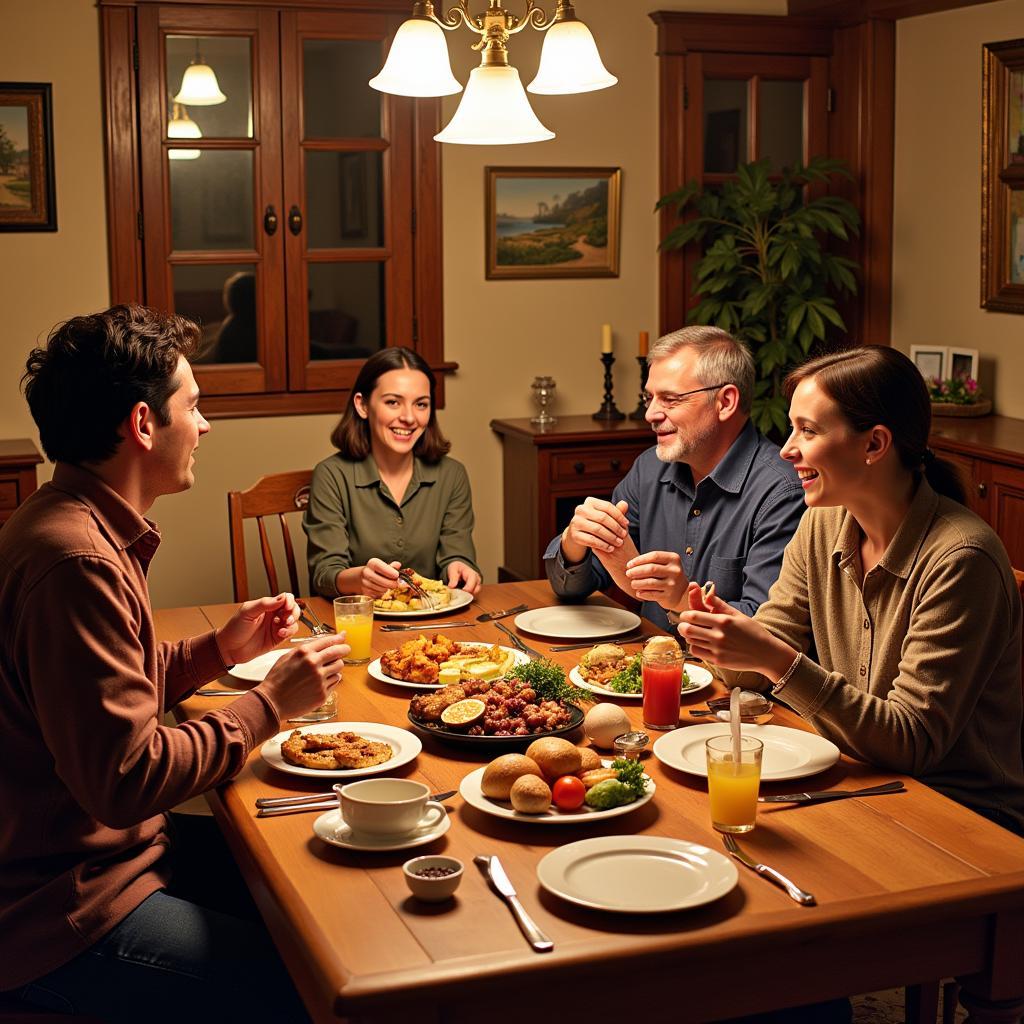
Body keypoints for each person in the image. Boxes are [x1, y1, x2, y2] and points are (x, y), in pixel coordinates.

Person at [0, 305, 349, 1021]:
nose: (206, 425)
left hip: (109, 862)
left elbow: (96, 692)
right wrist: (269, 703)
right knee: (322, 986)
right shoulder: (76, 561)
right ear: (142, 424)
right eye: (195, 405)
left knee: (325, 896)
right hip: (61, 910)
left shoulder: (73, 522)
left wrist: (218, 652)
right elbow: (125, 779)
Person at [677, 345, 1024, 834]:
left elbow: (912, 743)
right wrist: (725, 637)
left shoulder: (961, 558)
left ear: (874, 444)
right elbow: (748, 674)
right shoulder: (822, 524)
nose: (786, 448)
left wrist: (774, 658)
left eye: (809, 430)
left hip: (961, 817)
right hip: (857, 778)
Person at [544, 326, 805, 630]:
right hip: (650, 664)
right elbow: (574, 585)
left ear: (726, 402)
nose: (651, 414)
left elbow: (765, 632)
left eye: (669, 399)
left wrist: (682, 599)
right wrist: (574, 544)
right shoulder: (650, 469)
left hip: (726, 676)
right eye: (649, 398)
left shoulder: (783, 491)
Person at [305, 346, 481, 599]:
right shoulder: (331, 475)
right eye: (393, 402)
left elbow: (456, 552)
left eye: (421, 404)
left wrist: (460, 567)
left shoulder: (452, 475)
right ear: (363, 405)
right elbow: (325, 572)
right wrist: (360, 579)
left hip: (434, 622)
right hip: (358, 622)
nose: (409, 417)